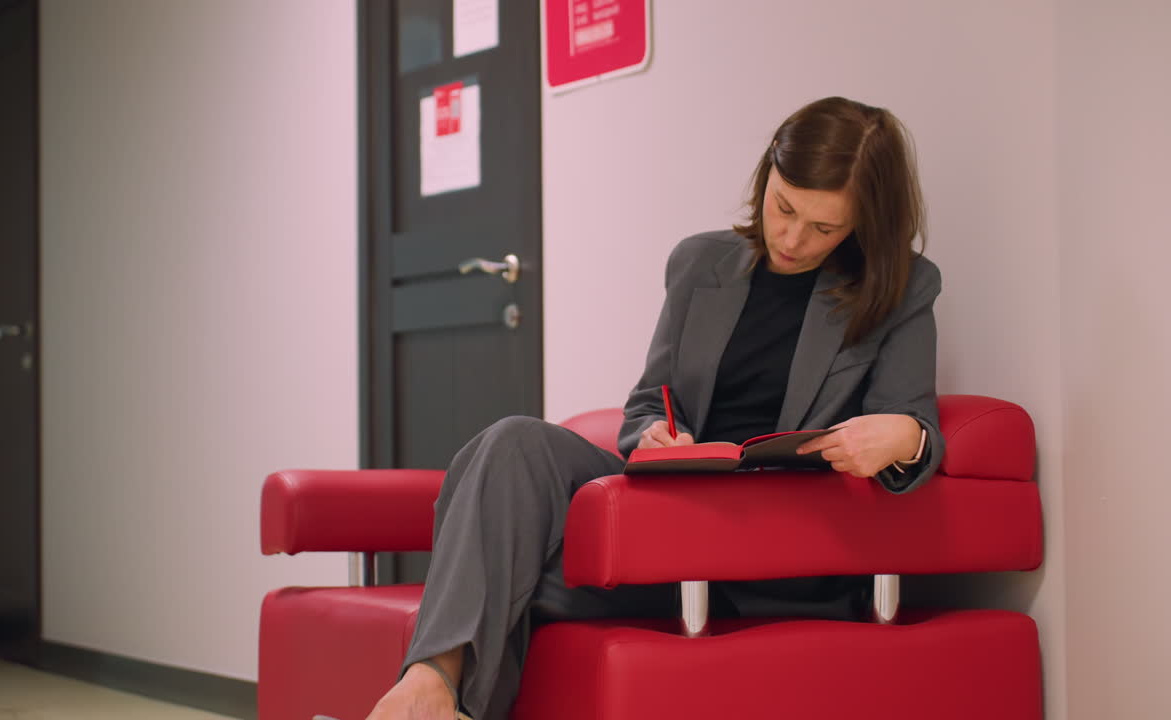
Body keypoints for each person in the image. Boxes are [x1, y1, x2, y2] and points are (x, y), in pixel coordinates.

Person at [366, 96, 945, 720]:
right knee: (513, 441)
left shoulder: (902, 288)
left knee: (498, 574)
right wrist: (654, 435)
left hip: (767, 551)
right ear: (766, 179)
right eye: (783, 207)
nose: (791, 237)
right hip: (668, 514)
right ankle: (430, 683)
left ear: (865, 222)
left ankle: (430, 699)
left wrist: (904, 437)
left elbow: (916, 430)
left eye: (824, 228)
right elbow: (648, 400)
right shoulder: (700, 262)